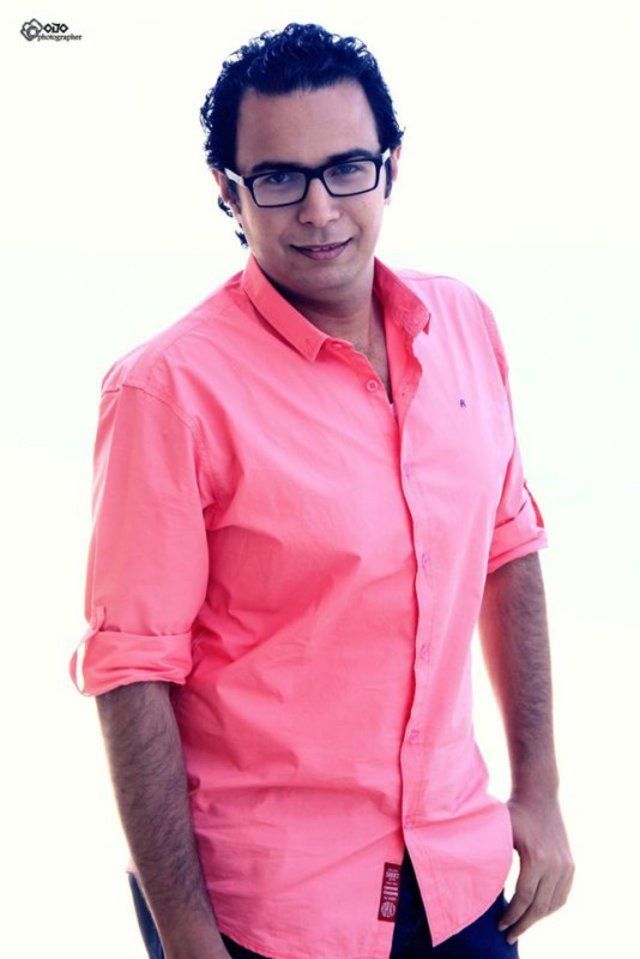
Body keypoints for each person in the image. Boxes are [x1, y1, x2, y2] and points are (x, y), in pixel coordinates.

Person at [68, 21, 574, 959]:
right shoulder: (167, 391)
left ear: (390, 168)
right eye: (278, 178)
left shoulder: (462, 324)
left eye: (346, 168)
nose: (318, 209)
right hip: (267, 909)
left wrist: (538, 792)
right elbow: (132, 672)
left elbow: (509, 549)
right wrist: (189, 942)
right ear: (228, 192)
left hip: (457, 868)